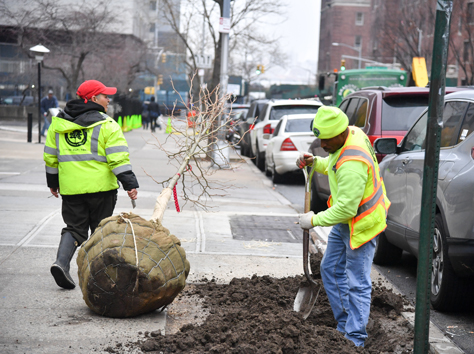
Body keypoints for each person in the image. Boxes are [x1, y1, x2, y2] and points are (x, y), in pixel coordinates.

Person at [296, 106, 390, 348]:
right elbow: (334, 163)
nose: (322, 144)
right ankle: (345, 323)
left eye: (326, 141)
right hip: (346, 222)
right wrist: (316, 162)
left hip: (361, 223)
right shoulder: (351, 134)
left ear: (339, 134)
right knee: (329, 268)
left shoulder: (352, 163)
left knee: (357, 281)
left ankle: (355, 338)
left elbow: (347, 207)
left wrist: (314, 220)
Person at [43, 80, 139, 290]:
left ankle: (61, 263)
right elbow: (118, 159)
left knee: (74, 229)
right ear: (94, 99)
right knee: (100, 231)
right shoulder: (107, 124)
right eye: (105, 96)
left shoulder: (58, 124)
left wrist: (53, 183)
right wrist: (129, 184)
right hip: (101, 190)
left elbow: (50, 157)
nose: (108, 100)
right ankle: (98, 277)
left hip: (71, 189)